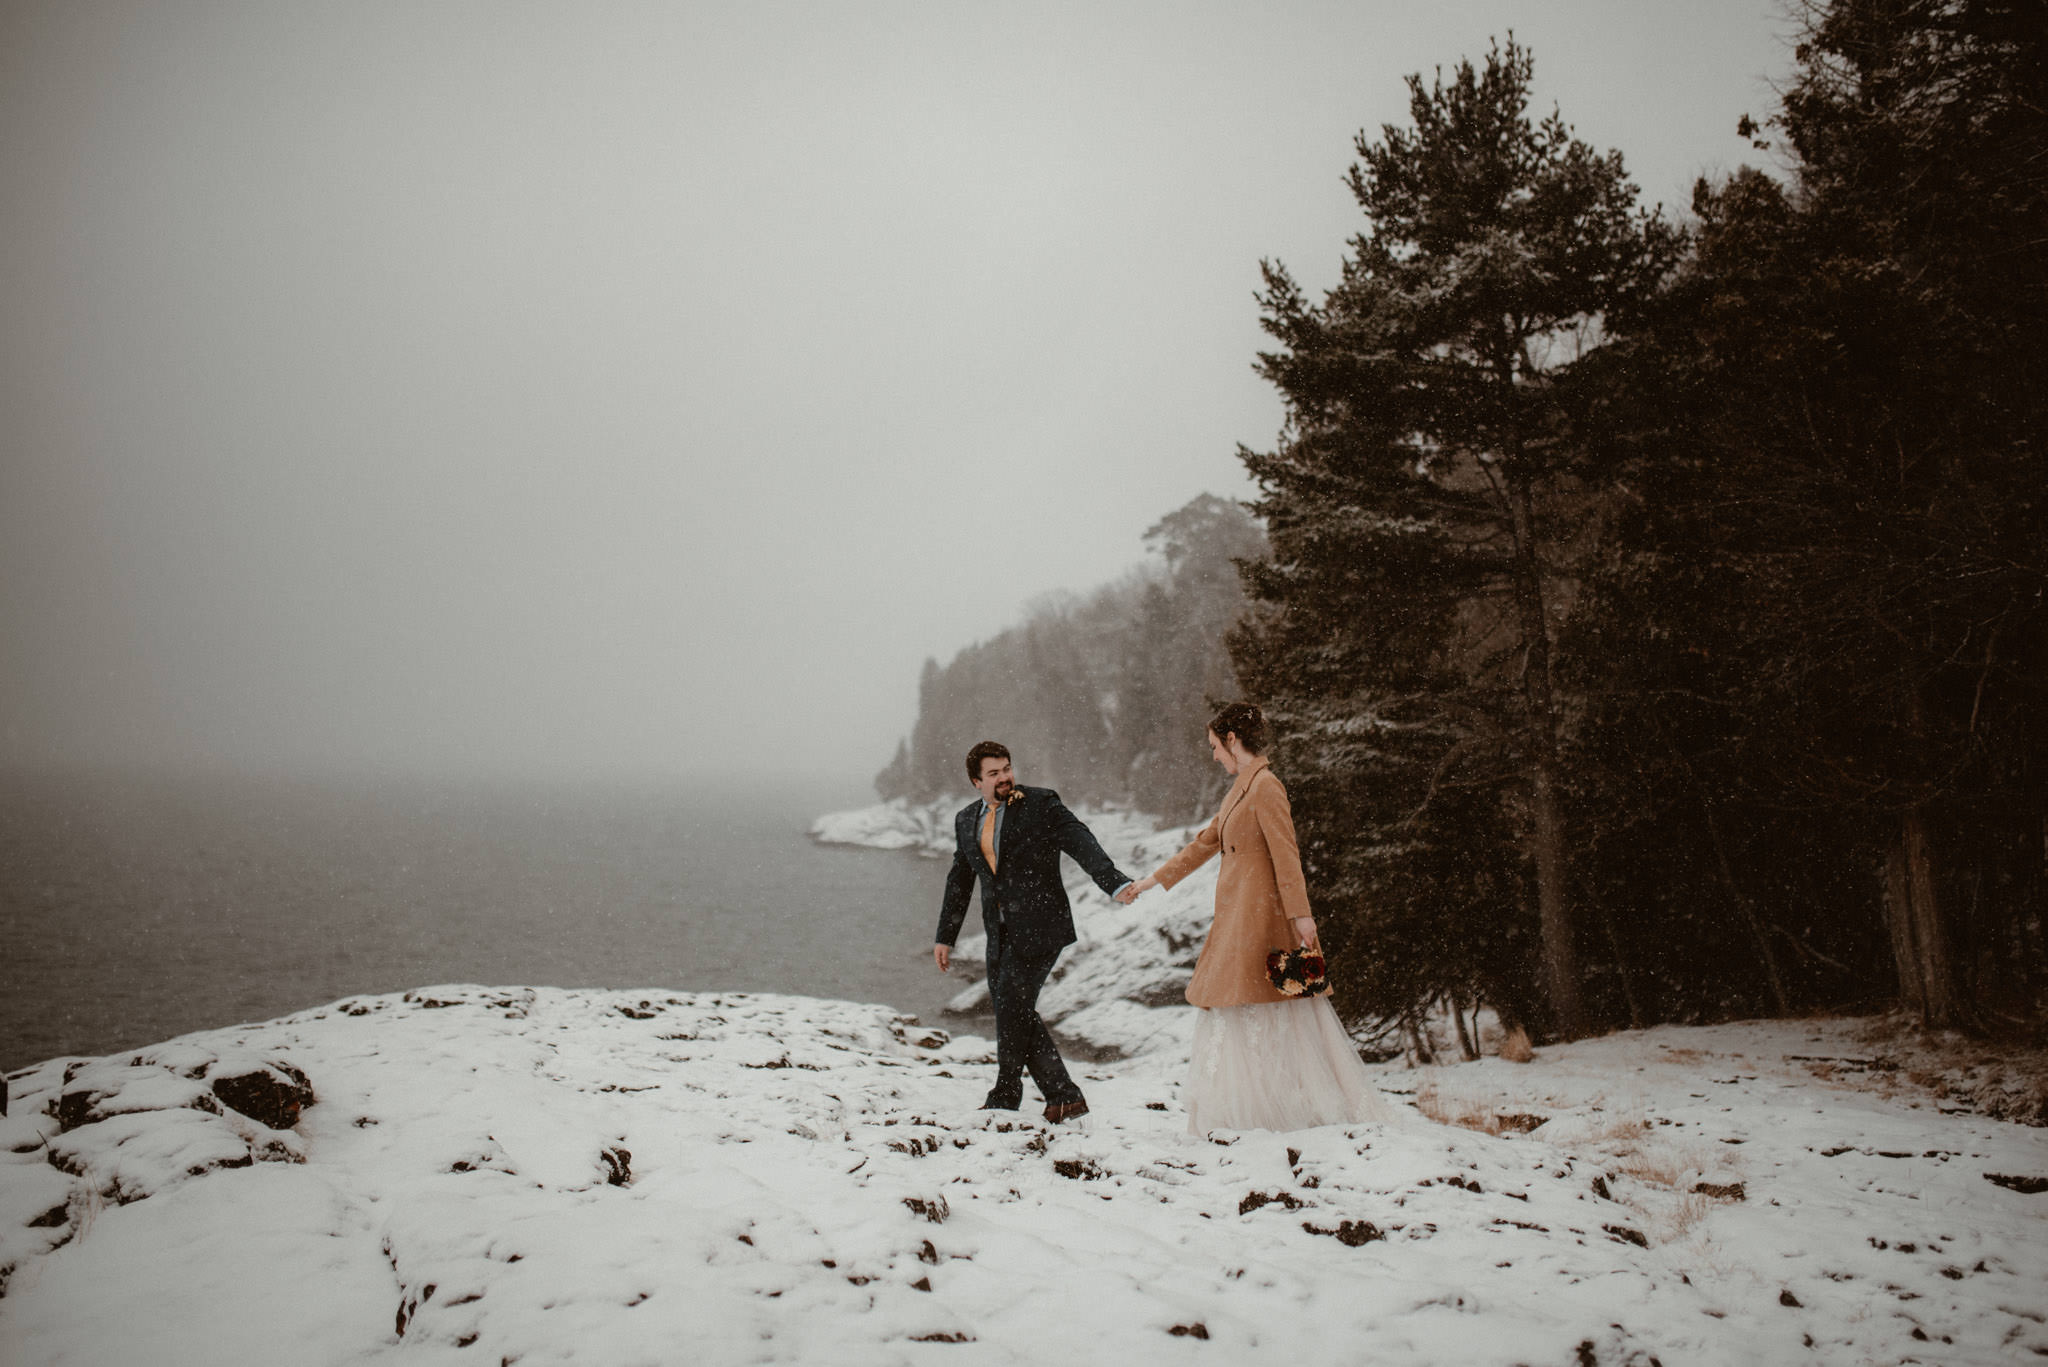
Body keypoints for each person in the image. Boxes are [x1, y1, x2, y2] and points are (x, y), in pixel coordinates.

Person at [1120, 703, 1390, 1135]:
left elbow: (1287, 856)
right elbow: (1203, 844)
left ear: (1232, 740)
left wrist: (1302, 918)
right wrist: (1149, 882)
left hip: (1264, 915)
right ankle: (1251, 1110)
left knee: (1267, 1007)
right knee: (1239, 1004)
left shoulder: (1266, 787)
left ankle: (1279, 1111)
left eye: (1215, 746)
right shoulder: (1239, 789)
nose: (1213, 756)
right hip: (1238, 915)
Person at [934, 741, 1133, 1124]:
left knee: (1010, 1002)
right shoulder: (965, 820)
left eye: (1007, 768)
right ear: (977, 781)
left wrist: (1112, 882)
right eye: (994, 773)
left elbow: (1080, 840)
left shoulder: (1041, 804)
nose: (1005, 777)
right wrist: (947, 935)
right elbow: (960, 879)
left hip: (1043, 925)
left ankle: (1027, 1092)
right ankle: (1047, 1095)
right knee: (1012, 1006)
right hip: (1000, 929)